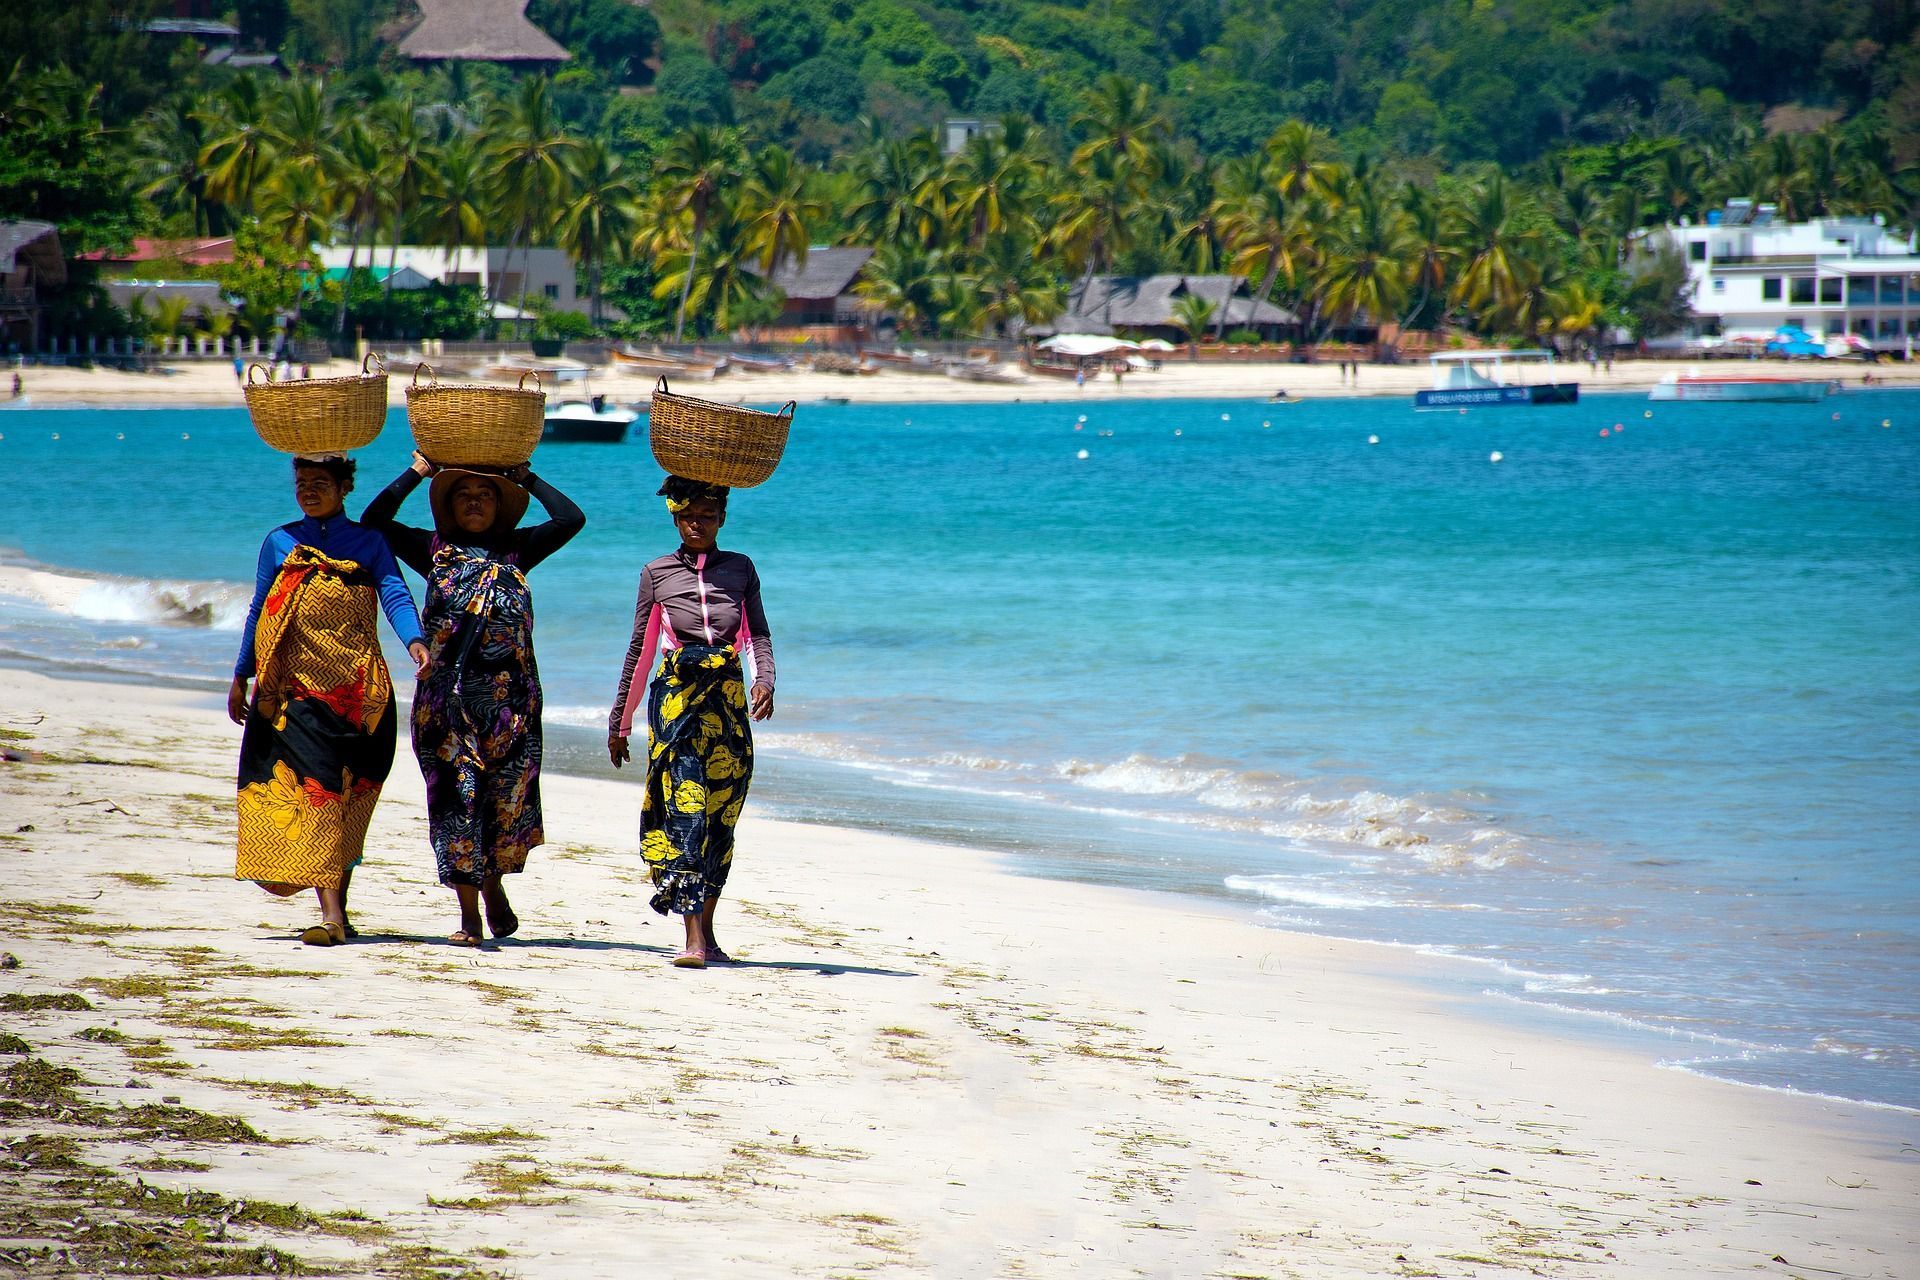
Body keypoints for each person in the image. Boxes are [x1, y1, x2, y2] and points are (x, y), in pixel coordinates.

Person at [362, 452, 585, 947]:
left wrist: (525, 477)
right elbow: (373, 521)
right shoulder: (432, 549)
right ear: (448, 508)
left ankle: (492, 882)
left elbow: (571, 518)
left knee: (503, 805)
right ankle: (468, 917)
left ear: (500, 507)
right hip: (446, 706)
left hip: (514, 708)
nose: (475, 502)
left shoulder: (517, 550)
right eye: (464, 494)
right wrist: (417, 471)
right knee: (455, 802)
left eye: (485, 495)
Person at [230, 455, 431, 946]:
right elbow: (260, 608)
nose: (308, 491)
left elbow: (396, 596)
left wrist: (416, 641)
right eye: (301, 483)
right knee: (316, 792)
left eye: (320, 483)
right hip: (294, 694)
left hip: (361, 695)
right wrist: (241, 673)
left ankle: (338, 909)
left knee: (346, 800)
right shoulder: (279, 541)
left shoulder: (369, 542)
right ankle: (333, 918)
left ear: (345, 488)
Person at [608, 476, 775, 968]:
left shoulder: (741, 570)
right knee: (686, 811)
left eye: (706, 515)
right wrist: (621, 721)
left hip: (727, 707)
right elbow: (639, 650)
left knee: (721, 819)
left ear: (722, 518)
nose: (696, 523)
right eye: (687, 516)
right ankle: (692, 939)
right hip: (677, 705)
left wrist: (764, 679)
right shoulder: (656, 573)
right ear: (675, 520)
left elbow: (757, 634)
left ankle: (708, 930)